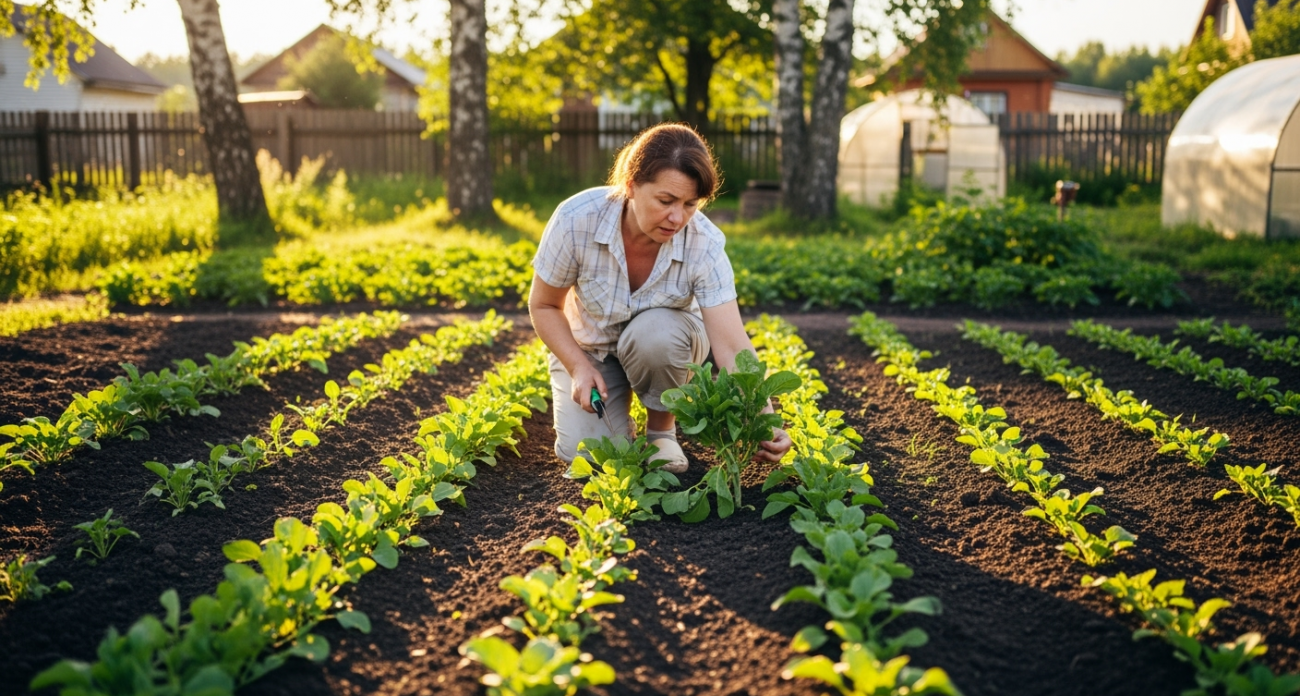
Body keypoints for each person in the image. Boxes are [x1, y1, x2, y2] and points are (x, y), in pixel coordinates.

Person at [528, 123, 793, 473]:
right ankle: (620, 419)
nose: (677, 218)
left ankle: (661, 432)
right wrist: (578, 367)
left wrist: (766, 419)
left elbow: (731, 344)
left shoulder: (704, 244)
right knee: (587, 454)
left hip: (666, 346)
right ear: (631, 186)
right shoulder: (577, 220)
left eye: (690, 204)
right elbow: (544, 305)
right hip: (592, 351)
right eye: (666, 201)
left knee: (657, 332)